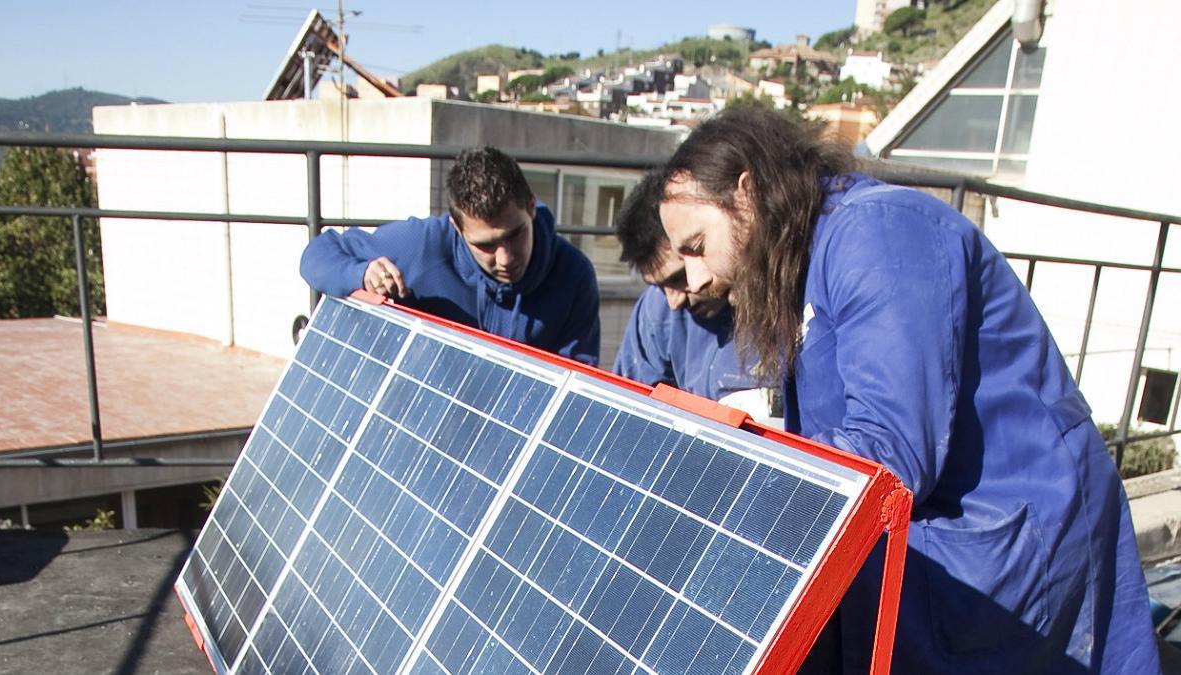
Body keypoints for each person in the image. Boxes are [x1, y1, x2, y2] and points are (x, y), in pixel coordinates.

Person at [656, 108, 1159, 673]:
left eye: (697, 245)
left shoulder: (877, 232)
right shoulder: (809, 253)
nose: (695, 279)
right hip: (936, 536)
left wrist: (748, 472)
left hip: (1007, 527)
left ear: (745, 194)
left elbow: (891, 451)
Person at [299, 146, 600, 365]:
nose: (505, 258)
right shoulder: (422, 245)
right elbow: (316, 255)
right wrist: (361, 273)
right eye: (486, 245)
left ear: (531, 207)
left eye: (515, 234)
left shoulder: (574, 275)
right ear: (457, 227)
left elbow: (578, 379)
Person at [612, 169, 783, 422]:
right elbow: (629, 413)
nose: (674, 301)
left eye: (679, 277)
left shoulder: (788, 303)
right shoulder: (655, 310)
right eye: (659, 286)